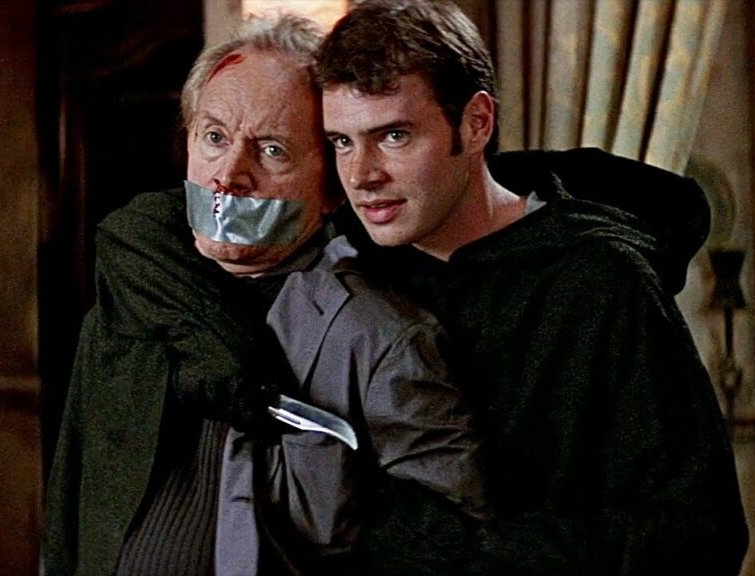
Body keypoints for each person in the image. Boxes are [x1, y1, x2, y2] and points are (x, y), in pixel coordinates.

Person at [316, 0, 749, 574]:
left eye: (393, 136)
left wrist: (457, 554)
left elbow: (700, 536)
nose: (362, 175)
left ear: (476, 123)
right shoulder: (349, 267)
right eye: (342, 142)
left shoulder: (601, 282)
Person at [42, 14, 484, 576]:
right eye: (214, 138)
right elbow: (73, 504)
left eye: (272, 150)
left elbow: (450, 549)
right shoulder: (133, 294)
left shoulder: (381, 338)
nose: (228, 177)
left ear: (331, 187)